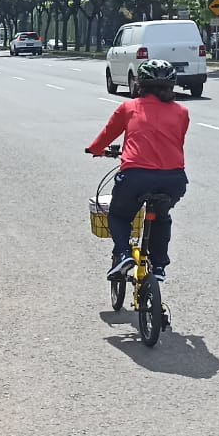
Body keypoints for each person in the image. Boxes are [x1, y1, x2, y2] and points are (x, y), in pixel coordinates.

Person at [84, 59, 190, 282]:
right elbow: (175, 141)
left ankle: (123, 254)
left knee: (119, 216)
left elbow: (107, 135)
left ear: (140, 84)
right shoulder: (182, 112)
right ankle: (159, 265)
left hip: (135, 177)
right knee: (161, 217)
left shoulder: (129, 108)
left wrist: (95, 149)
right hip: (174, 179)